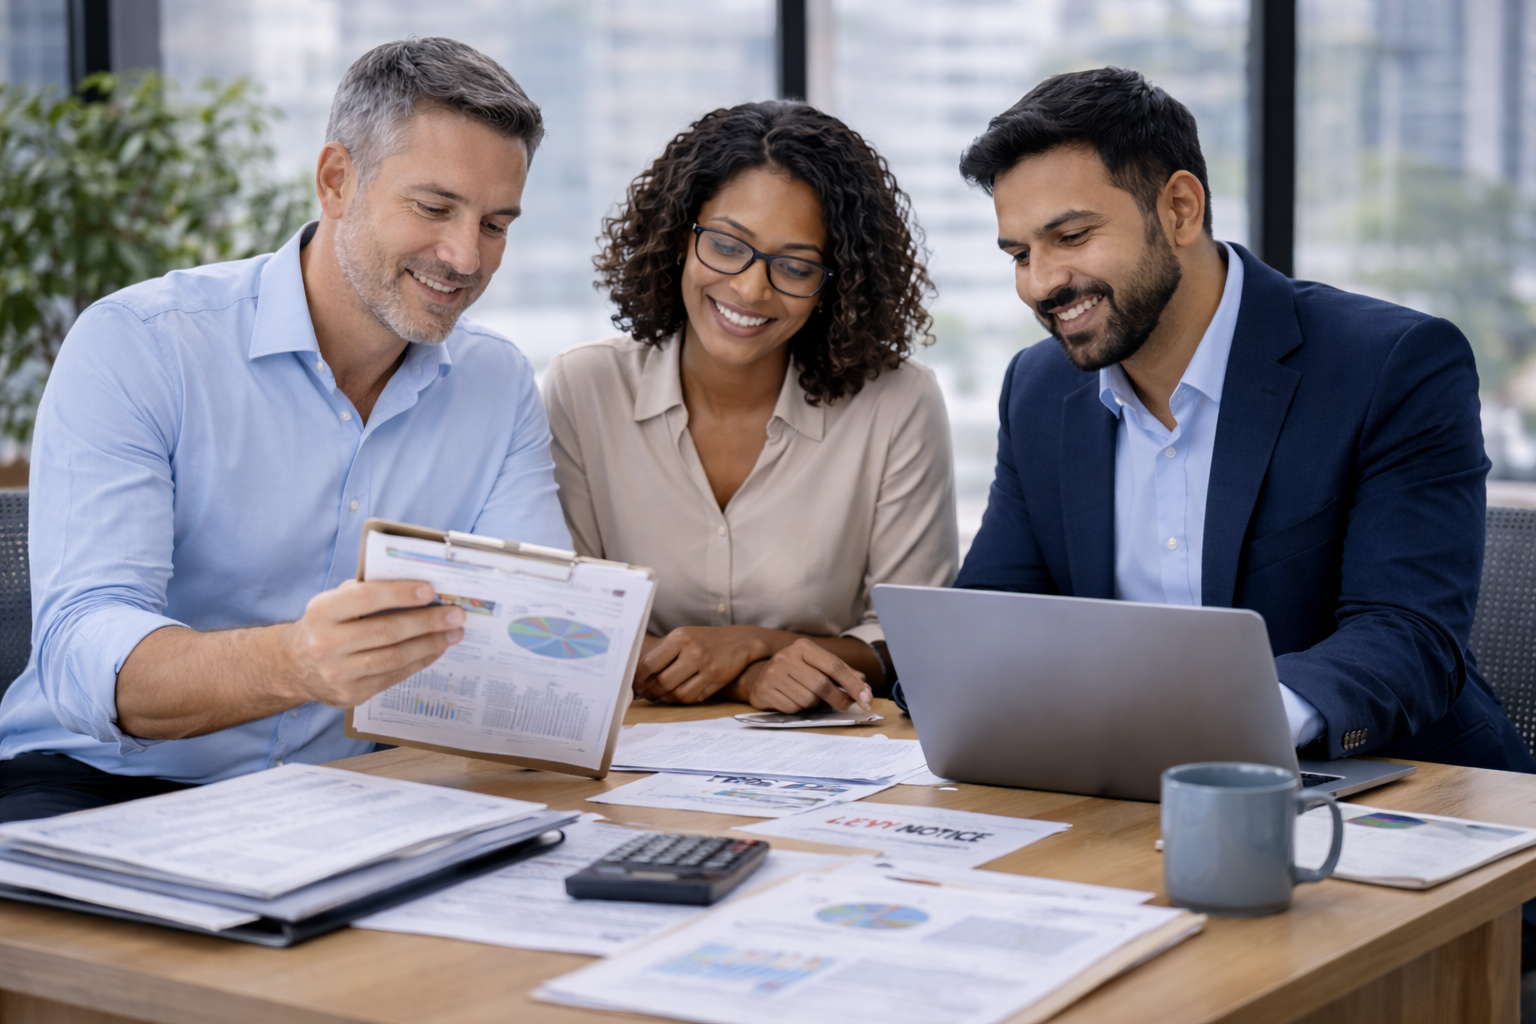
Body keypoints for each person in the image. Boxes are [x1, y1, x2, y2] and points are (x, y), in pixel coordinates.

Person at [0, 38, 571, 822]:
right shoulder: (141, 343)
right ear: (337, 180)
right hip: (96, 783)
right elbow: (81, 654)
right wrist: (296, 662)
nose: (465, 256)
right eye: (434, 208)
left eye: (496, 224)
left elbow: (527, 652)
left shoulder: (497, 384)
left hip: (348, 796)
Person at [949, 67, 1535, 771]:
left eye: (1070, 237)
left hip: (1396, 791)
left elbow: (1408, 635)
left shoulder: (1390, 364)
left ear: (1180, 209)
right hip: (1131, 793)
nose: (1041, 284)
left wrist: (1231, 728)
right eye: (1019, 254)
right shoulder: (1039, 389)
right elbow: (994, 618)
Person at [542, 101, 957, 714]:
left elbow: (912, 637)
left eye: (795, 266)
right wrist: (742, 677)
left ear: (835, 285)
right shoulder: (584, 389)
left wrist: (755, 643)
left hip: (836, 760)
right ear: (680, 237)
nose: (749, 289)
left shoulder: (897, 403)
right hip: (630, 756)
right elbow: (565, 619)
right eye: (728, 246)